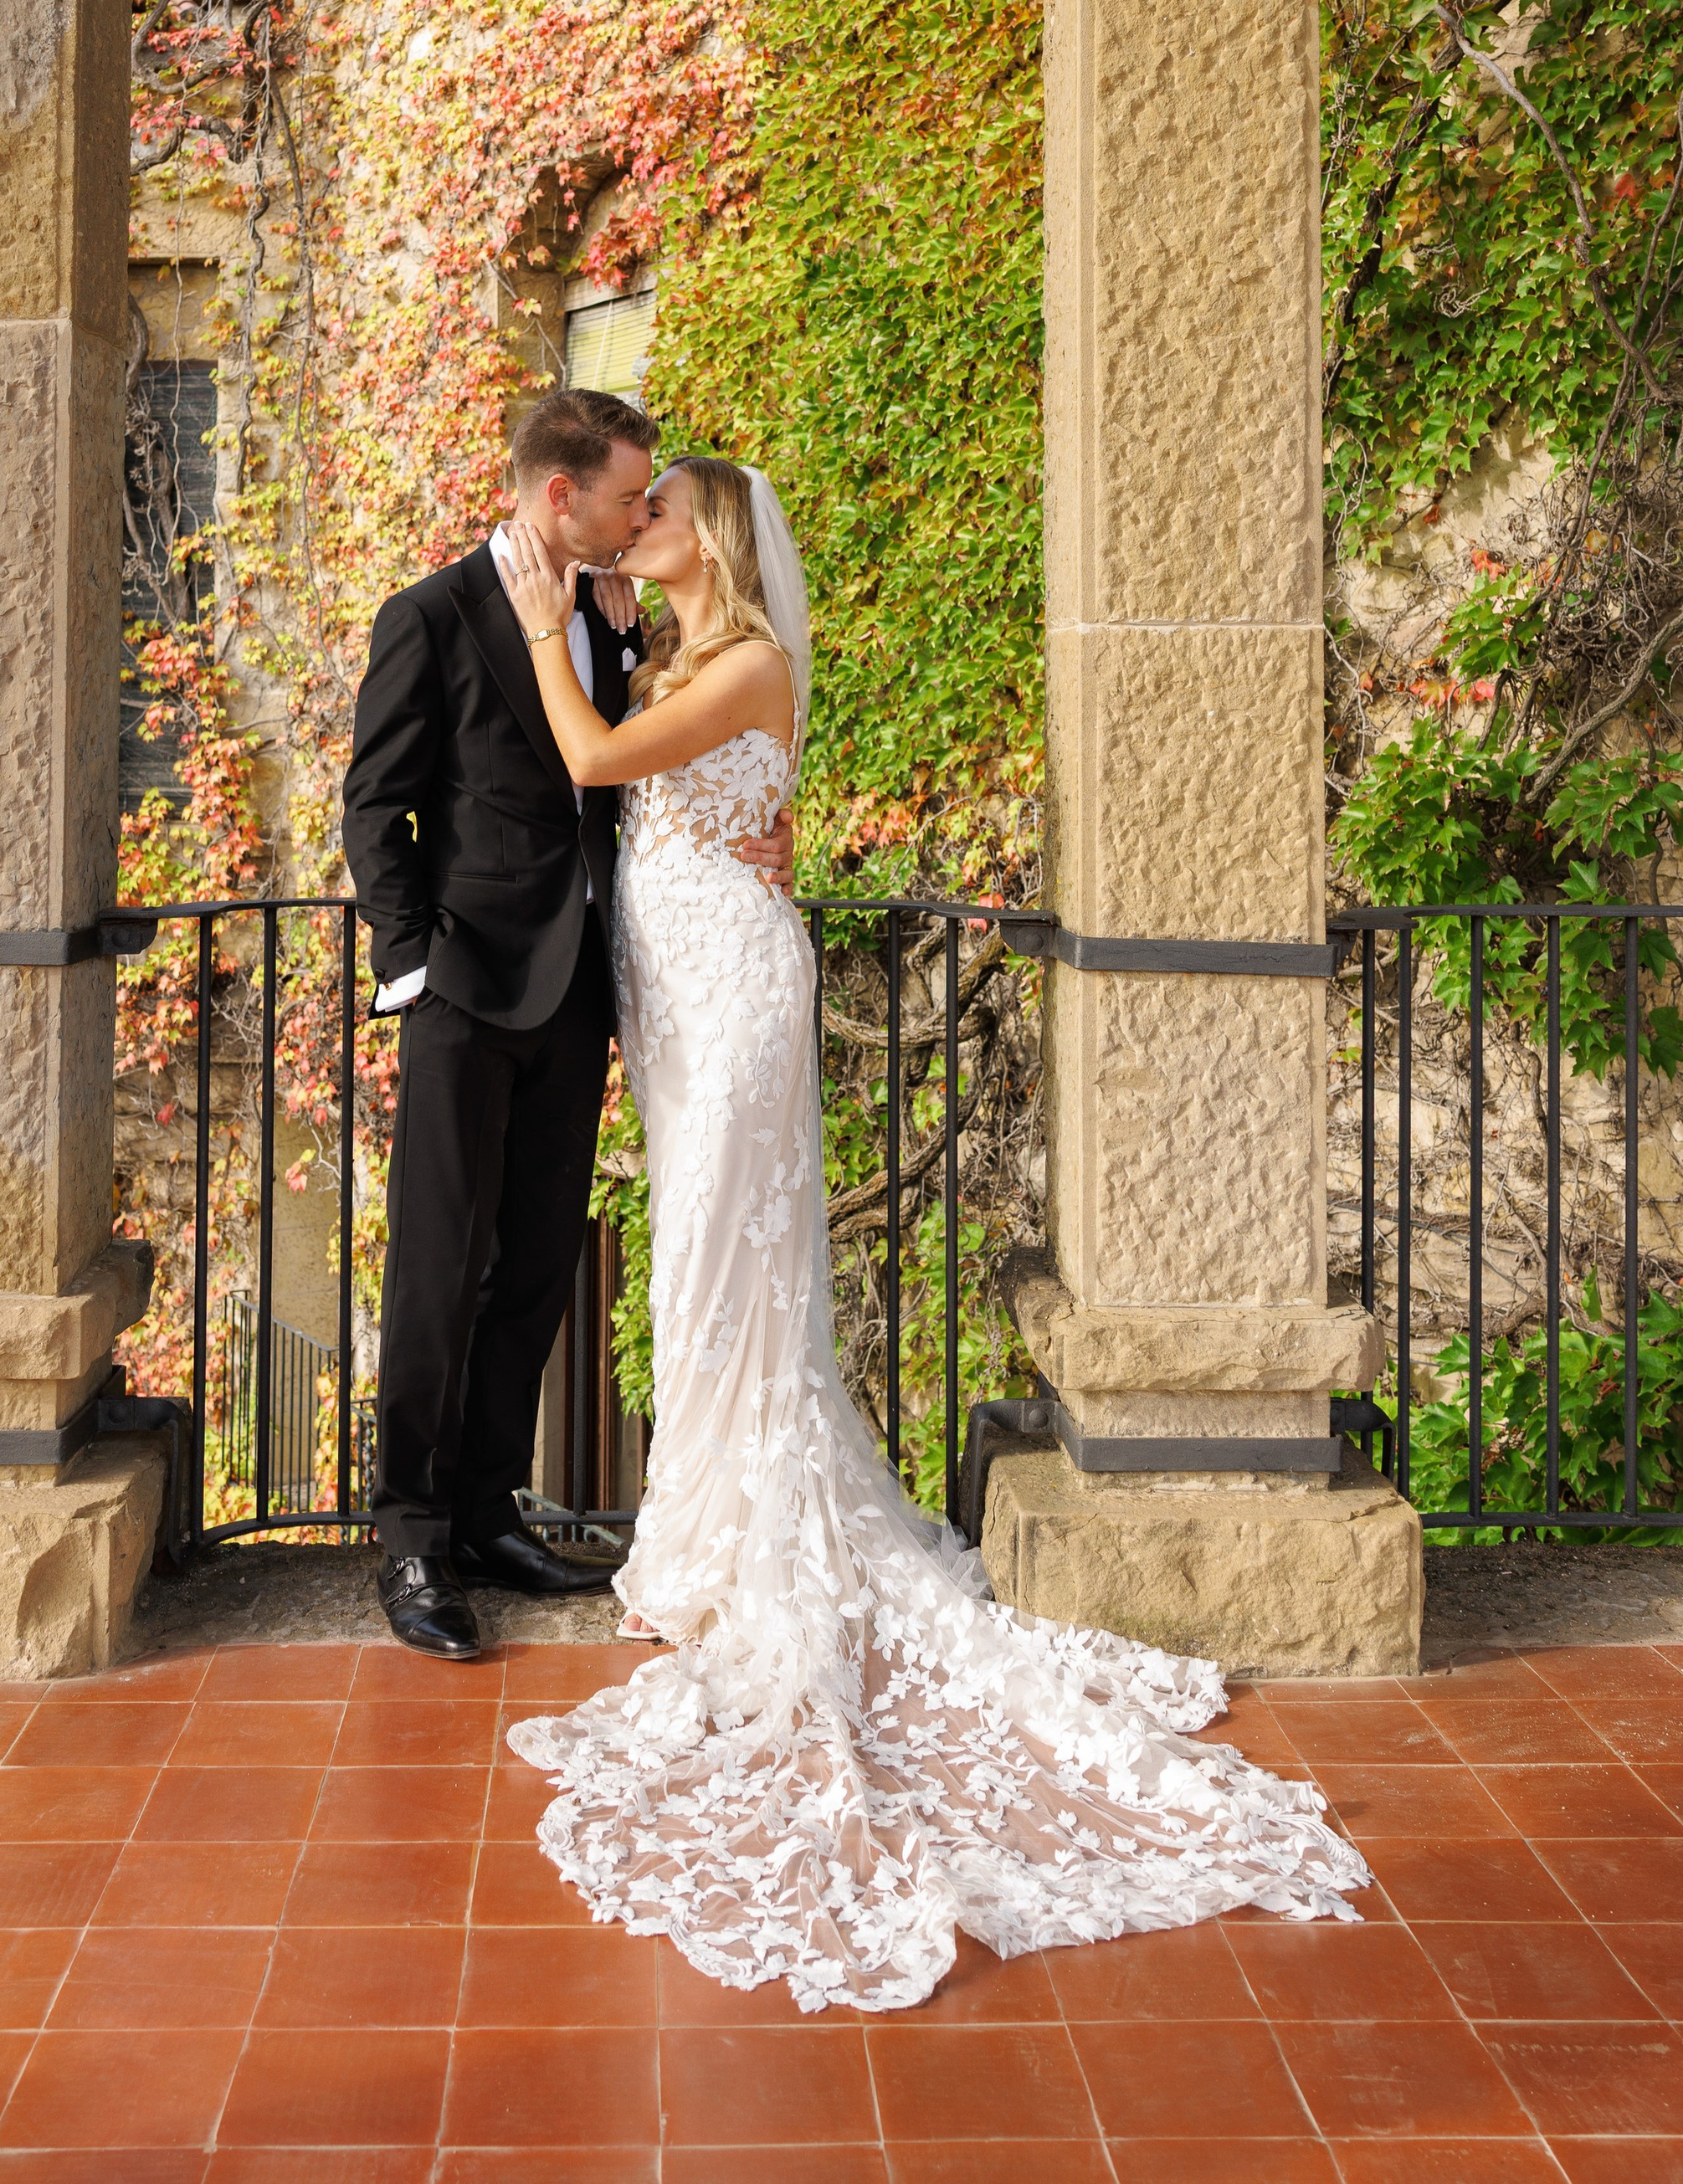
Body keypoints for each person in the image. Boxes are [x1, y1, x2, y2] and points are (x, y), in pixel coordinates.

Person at [500, 457, 1368, 2012]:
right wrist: (608, 629)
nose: (639, 521)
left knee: (721, 1256)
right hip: (676, 994)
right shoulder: (674, 646)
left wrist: (535, 622)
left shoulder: (744, 661)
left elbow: (600, 756)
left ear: (718, 533)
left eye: (663, 507)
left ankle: (730, 1537)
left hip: (735, 994)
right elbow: (662, 778)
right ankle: (701, 1524)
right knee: (705, 1258)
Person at [341, 389, 795, 1660]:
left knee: (537, 1259)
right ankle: (413, 1537)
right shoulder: (434, 614)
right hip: (464, 992)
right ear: (563, 495)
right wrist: (413, 966)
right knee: (437, 1264)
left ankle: (488, 1509)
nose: (638, 513)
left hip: (589, 990)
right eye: (627, 494)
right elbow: (376, 807)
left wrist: (769, 833)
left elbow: (658, 776)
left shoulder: (611, 617)